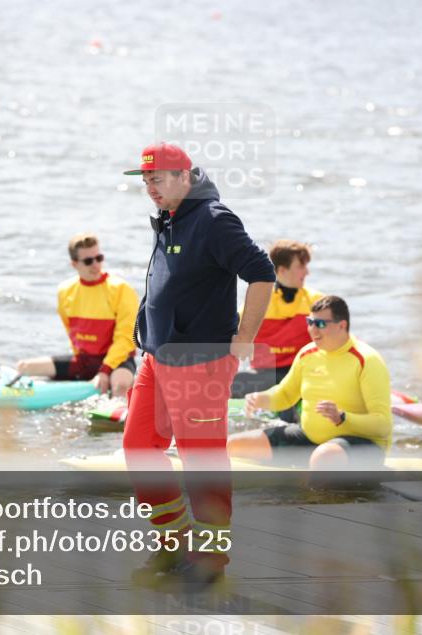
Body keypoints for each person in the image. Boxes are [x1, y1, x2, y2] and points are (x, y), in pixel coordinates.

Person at [121, 142, 275, 590]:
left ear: (185, 177)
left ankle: (210, 560)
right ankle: (175, 541)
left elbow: (262, 272)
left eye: (159, 178)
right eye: (146, 180)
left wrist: (244, 338)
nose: (150, 187)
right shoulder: (170, 215)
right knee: (138, 448)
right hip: (157, 356)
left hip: (200, 361)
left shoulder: (213, 219)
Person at [227, 295, 393, 470]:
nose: (312, 330)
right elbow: (285, 394)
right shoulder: (307, 354)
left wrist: (343, 418)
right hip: (310, 439)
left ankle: (314, 486)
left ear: (342, 326)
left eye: (320, 324)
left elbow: (383, 426)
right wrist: (261, 399)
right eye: (310, 322)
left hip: (362, 446)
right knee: (232, 445)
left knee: (323, 457)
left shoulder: (367, 360)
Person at [15, 233, 139, 397]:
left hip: (118, 363)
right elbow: (71, 332)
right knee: (24, 367)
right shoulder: (65, 291)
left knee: (120, 385)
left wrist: (104, 370)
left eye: (99, 258)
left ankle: (116, 417)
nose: (96, 265)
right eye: (88, 261)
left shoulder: (121, 289)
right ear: (74, 264)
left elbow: (126, 338)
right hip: (84, 361)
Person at [230, 240, 325, 423]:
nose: (307, 272)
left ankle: (290, 433)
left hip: (300, 373)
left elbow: (337, 337)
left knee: (287, 404)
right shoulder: (258, 304)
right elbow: (231, 340)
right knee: (222, 384)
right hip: (265, 374)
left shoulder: (316, 302)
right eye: (301, 266)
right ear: (282, 270)